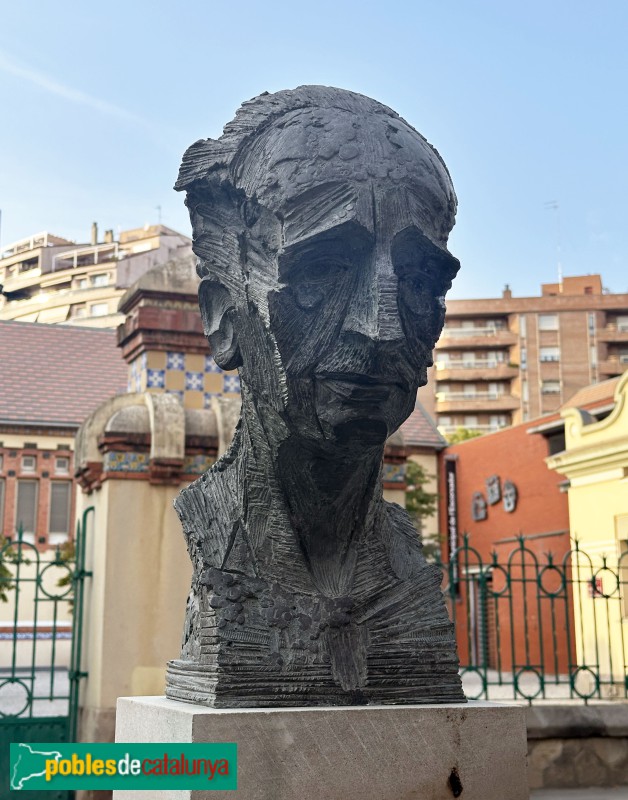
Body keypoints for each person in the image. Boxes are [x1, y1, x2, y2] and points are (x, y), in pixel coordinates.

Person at [167, 86, 464, 706]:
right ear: (224, 318)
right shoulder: (223, 537)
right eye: (324, 269)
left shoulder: (407, 568)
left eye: (415, 279)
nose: (382, 327)